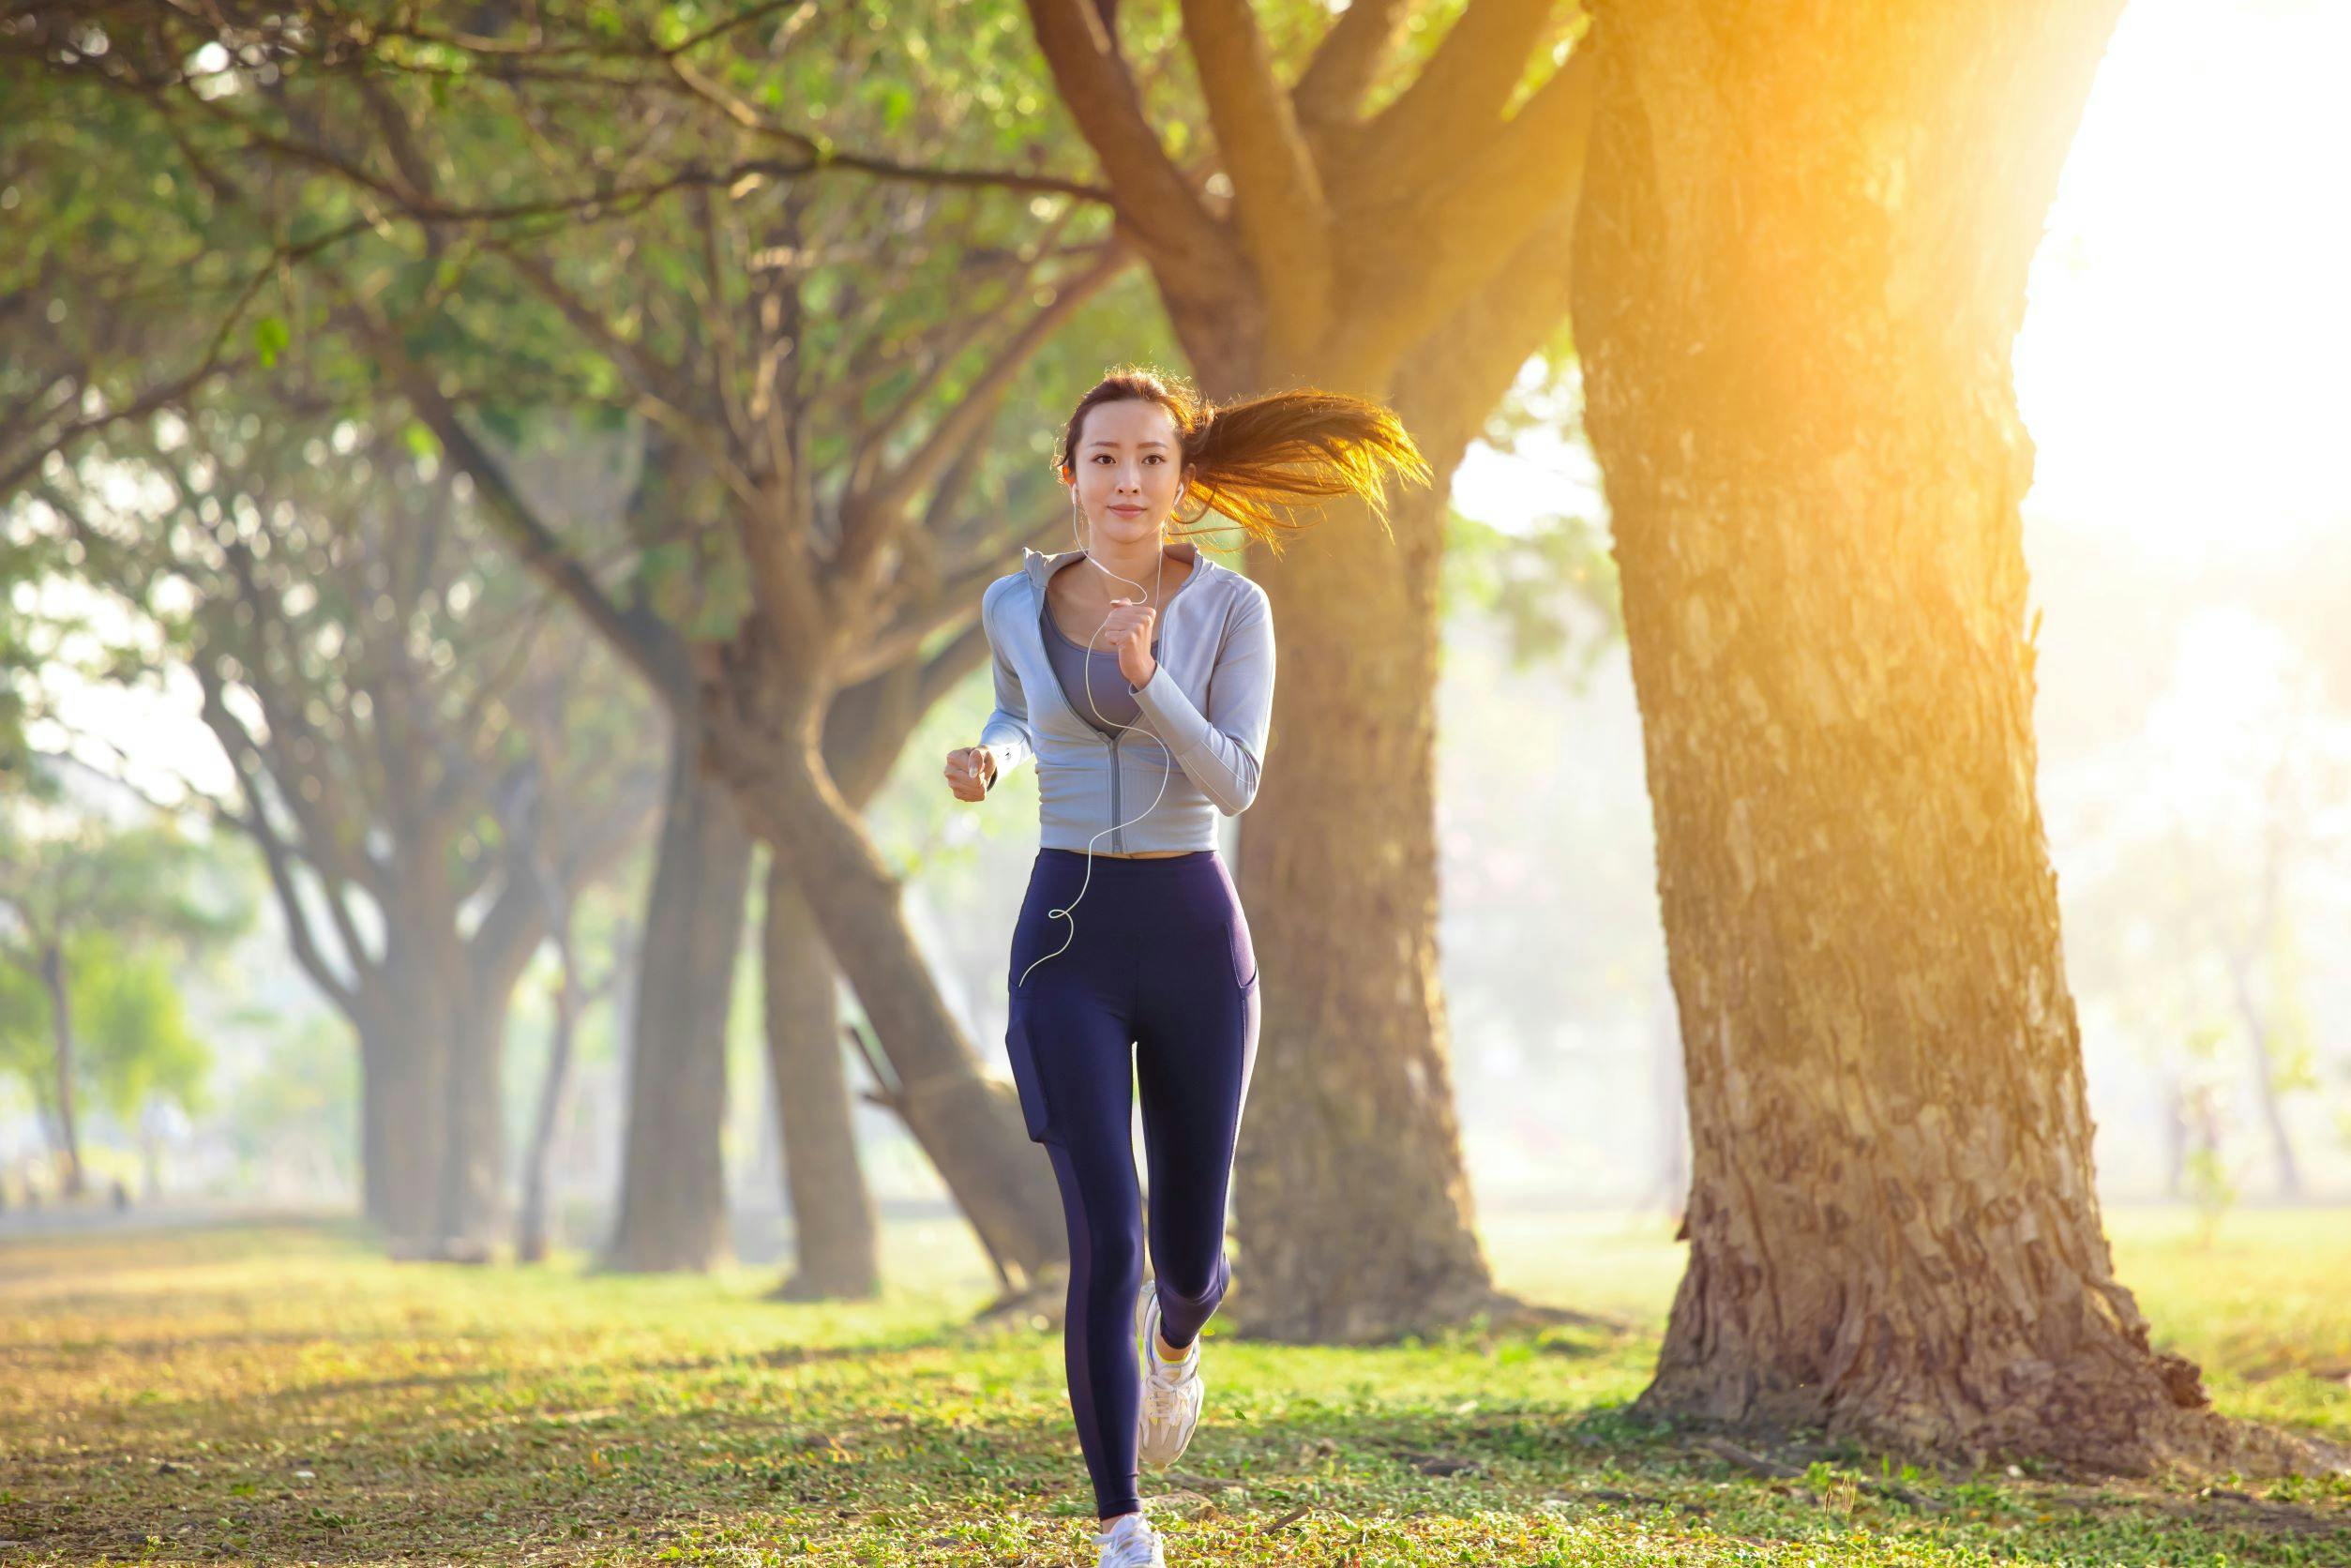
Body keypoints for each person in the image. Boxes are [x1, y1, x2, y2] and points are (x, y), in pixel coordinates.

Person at [943, 364, 1429, 1568]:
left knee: (1187, 1257)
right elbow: (1019, 706)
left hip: (1193, 936)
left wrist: (1152, 681)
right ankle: (1120, 1522)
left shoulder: (1231, 611)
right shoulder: (1012, 602)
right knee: (1103, 1231)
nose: (1127, 480)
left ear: (1182, 477)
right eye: (1104, 457)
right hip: (1065, 934)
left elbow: (1236, 780)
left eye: (1152, 458)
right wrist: (992, 759)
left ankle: (1176, 1342)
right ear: (1071, 473)